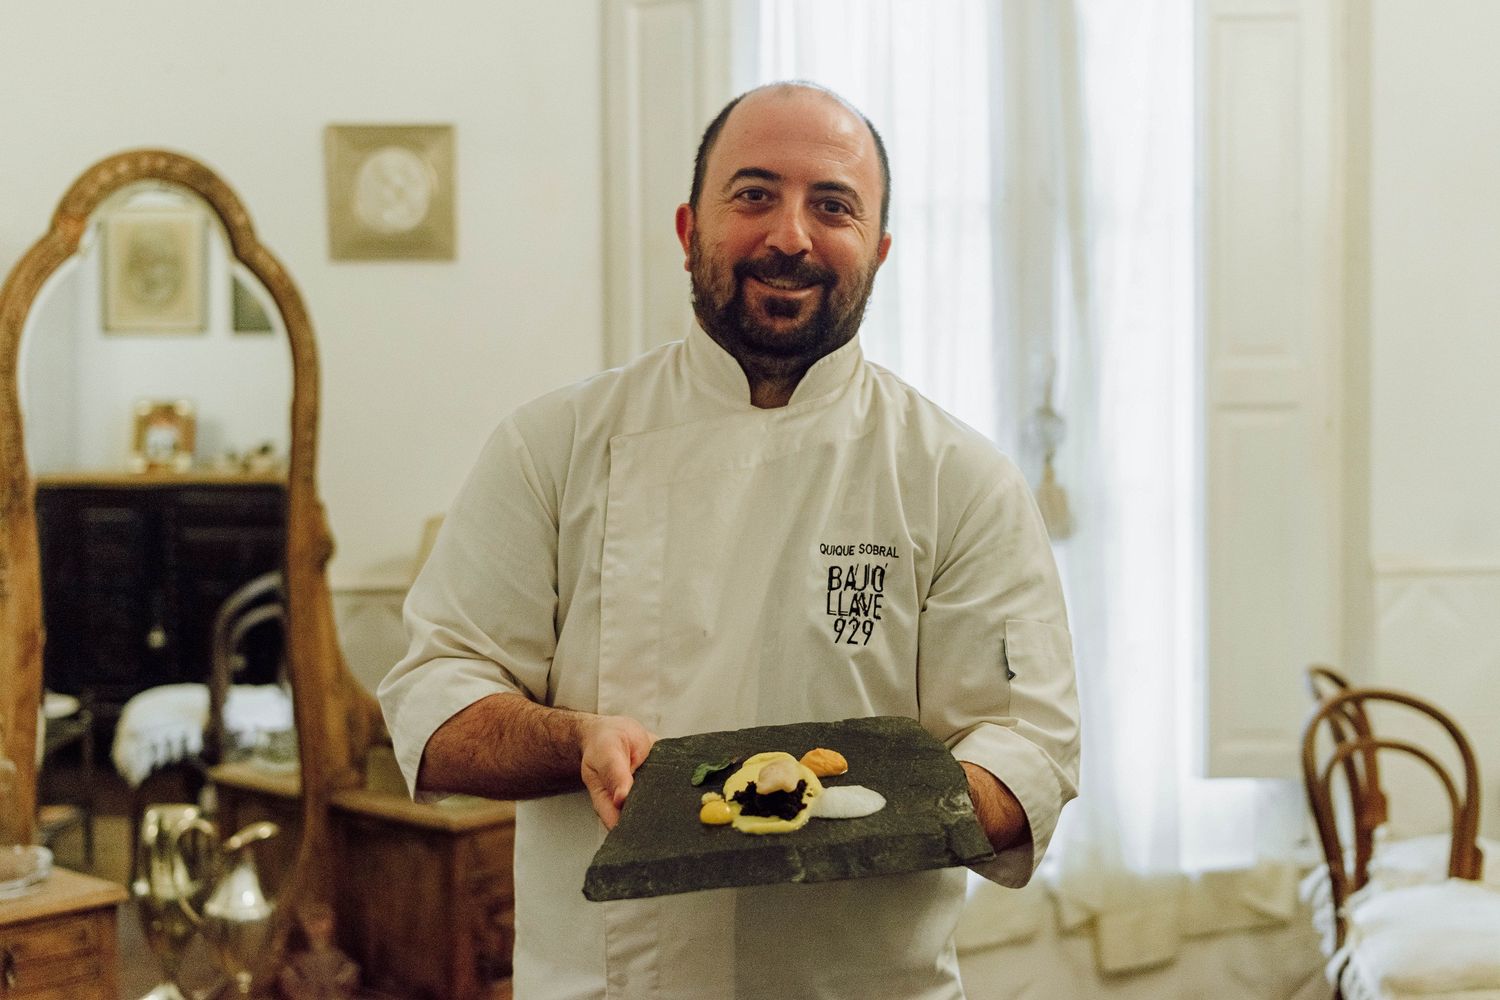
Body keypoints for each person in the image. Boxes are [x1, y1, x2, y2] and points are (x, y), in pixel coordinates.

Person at [379, 81, 1078, 1000]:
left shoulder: (958, 478)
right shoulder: (550, 446)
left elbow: (1031, 747)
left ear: (879, 249)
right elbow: (434, 704)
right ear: (686, 230)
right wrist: (576, 740)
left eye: (833, 206)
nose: (790, 235)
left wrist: (871, 801)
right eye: (753, 195)